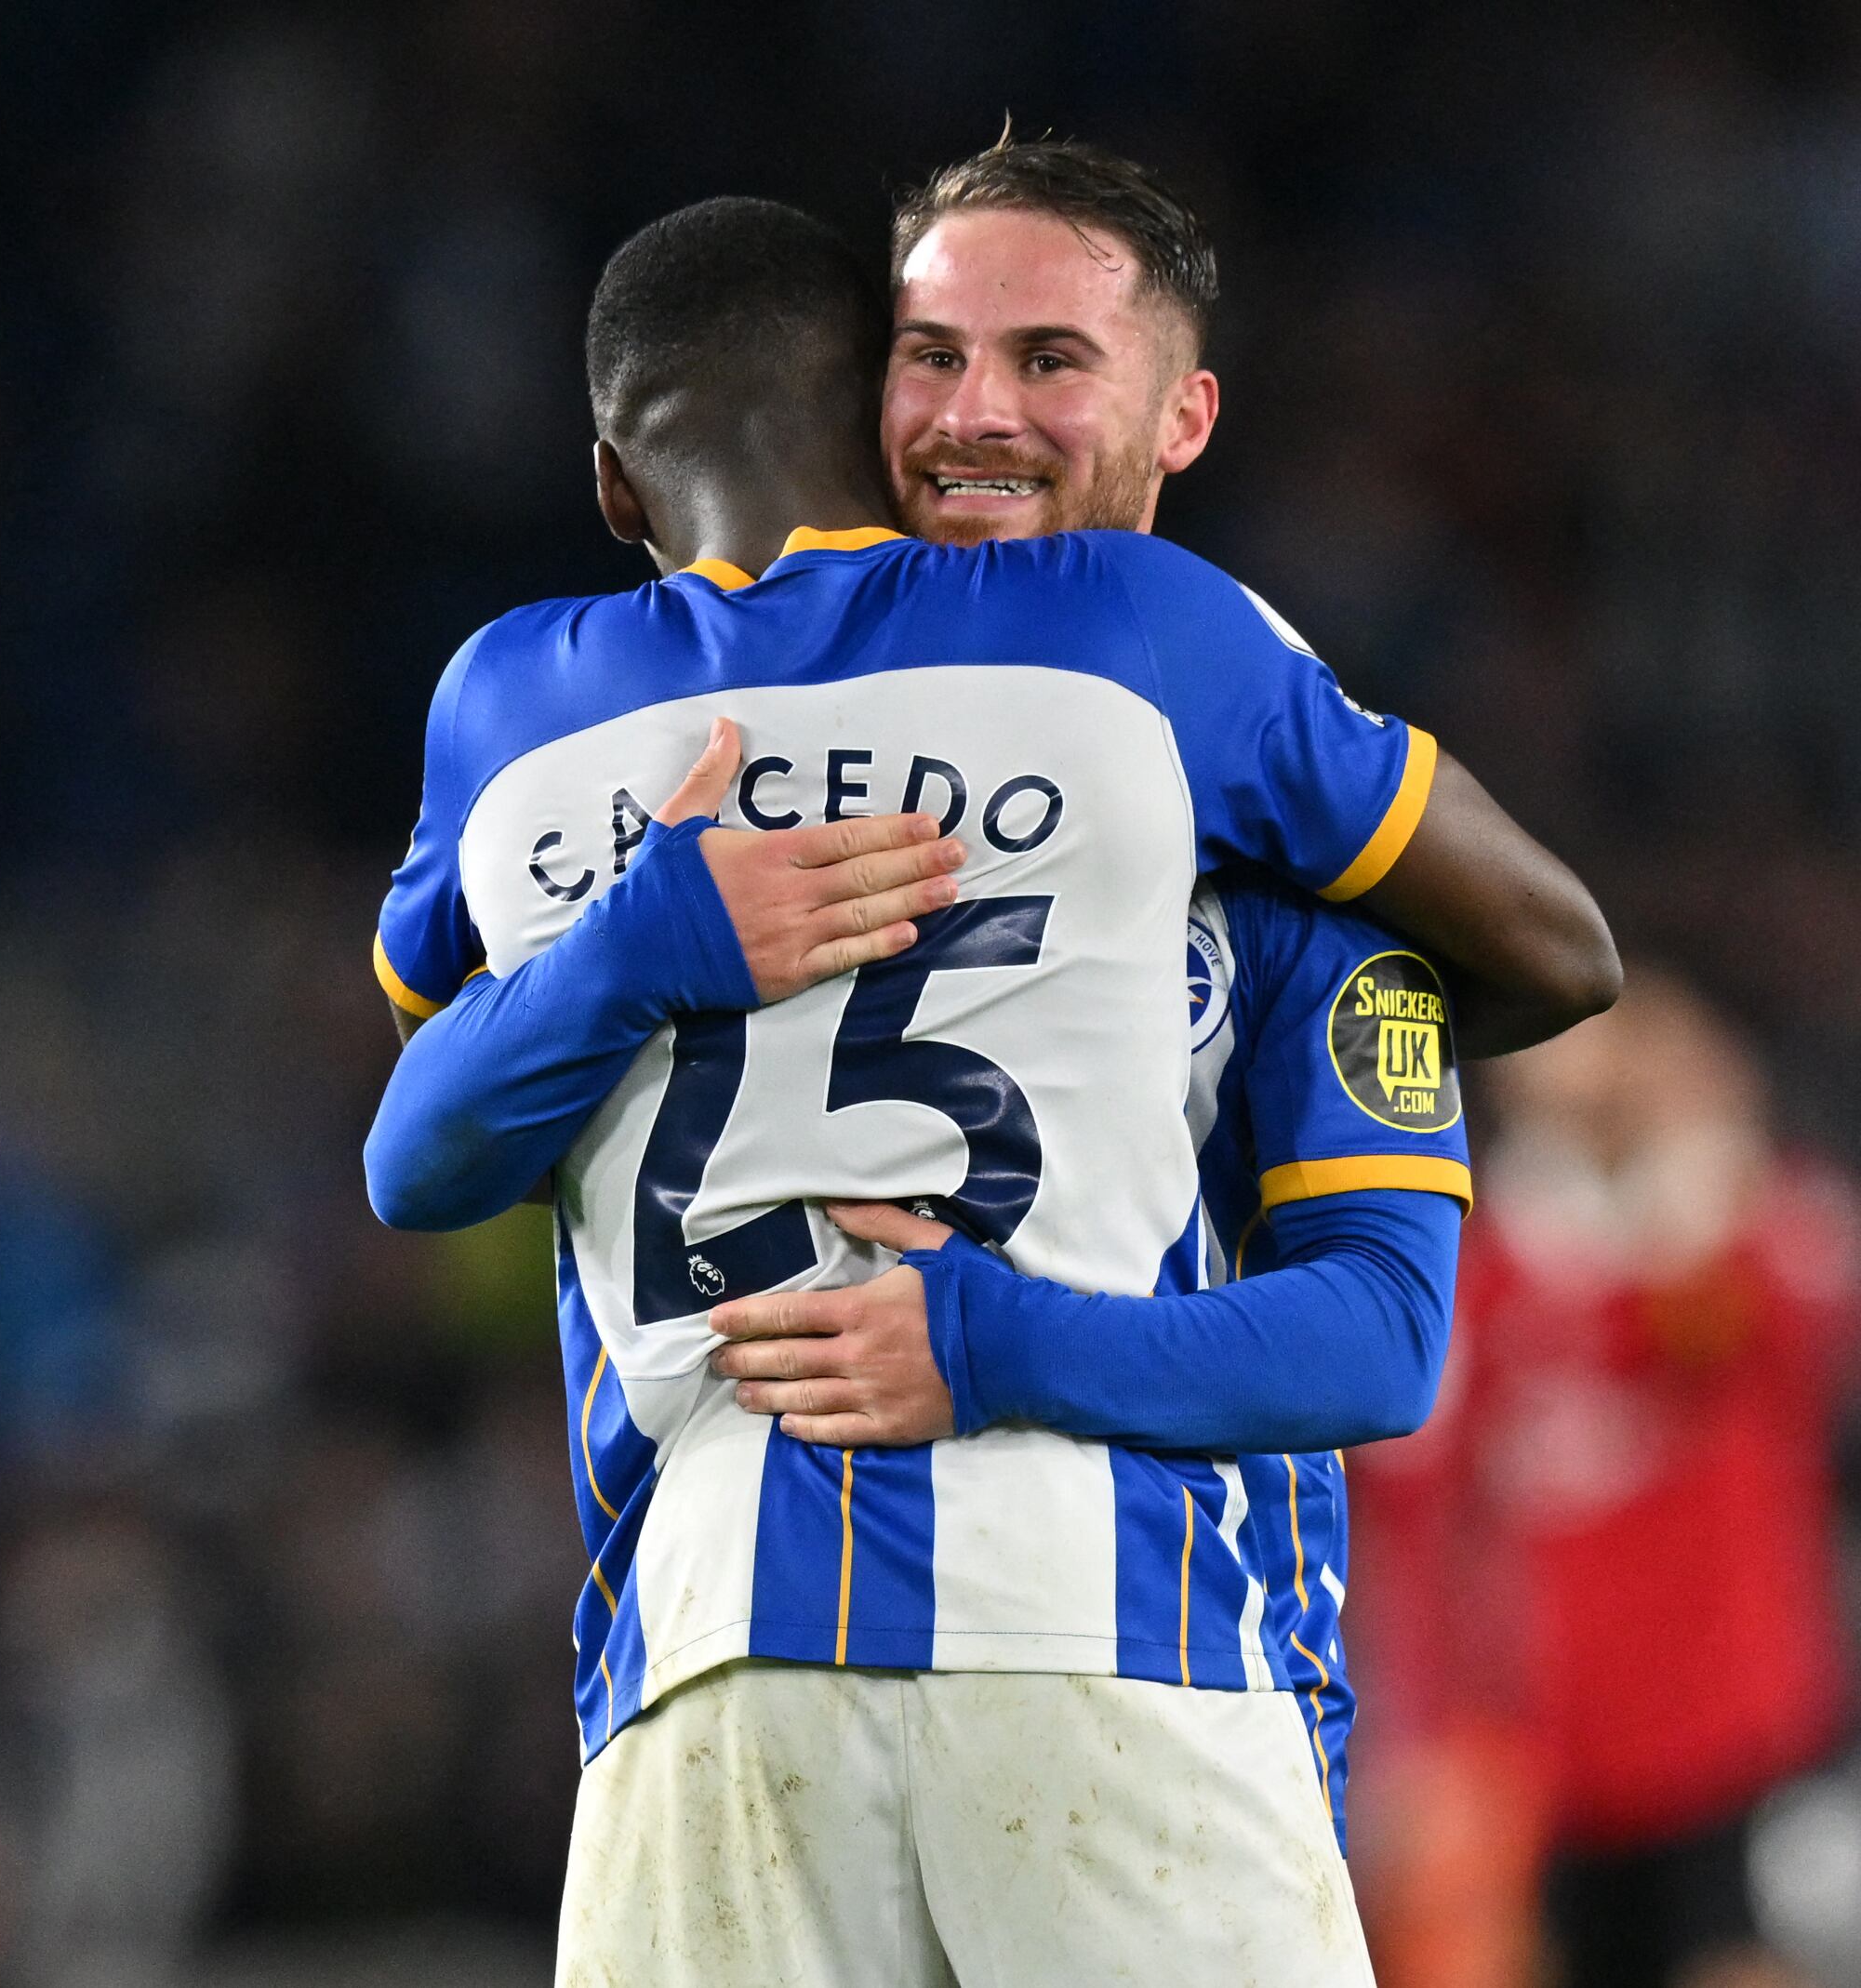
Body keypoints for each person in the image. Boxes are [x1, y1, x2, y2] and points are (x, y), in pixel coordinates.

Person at [366, 179, 1600, 1981]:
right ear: (866, 403)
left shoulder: (517, 707)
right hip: (1116, 1634)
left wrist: (640, 937)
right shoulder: (1197, 696)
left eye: (1046, 362)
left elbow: (415, 1138)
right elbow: (1550, 977)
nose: (977, 414)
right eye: (934, 358)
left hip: (708, 1648)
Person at [1345, 969, 1861, 1988]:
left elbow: (1817, 1327)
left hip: (1738, 1737)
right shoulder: (1478, 1270)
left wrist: (1695, 1173)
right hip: (1543, 1760)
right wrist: (1414, 1732)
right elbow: (1408, 1509)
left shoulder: (1759, 1229)